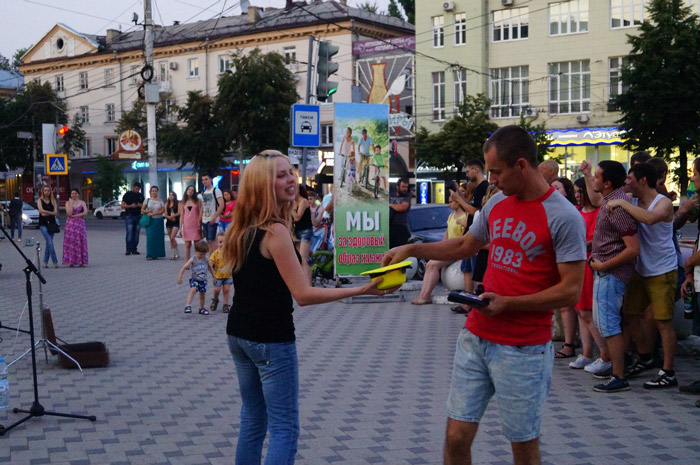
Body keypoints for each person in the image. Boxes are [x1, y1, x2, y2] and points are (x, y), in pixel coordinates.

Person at [383, 125, 586, 465]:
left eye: (496, 171)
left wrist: (509, 304)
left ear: (522, 165)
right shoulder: (497, 206)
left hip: (524, 350)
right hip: (476, 338)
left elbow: (570, 290)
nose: (491, 179)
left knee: (523, 448)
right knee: (455, 438)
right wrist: (412, 249)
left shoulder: (564, 217)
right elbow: (465, 244)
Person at [221, 150, 395, 465]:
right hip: (270, 340)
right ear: (263, 184)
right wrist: (365, 289)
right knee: (284, 426)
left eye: (291, 172)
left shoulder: (239, 228)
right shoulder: (274, 233)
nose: (291, 180)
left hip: (239, 334)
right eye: (281, 175)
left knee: (253, 417)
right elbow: (302, 294)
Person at [607, 163, 679, 389]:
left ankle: (668, 371)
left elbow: (649, 219)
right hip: (641, 269)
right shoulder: (633, 200)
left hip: (663, 270)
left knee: (662, 322)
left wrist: (621, 202)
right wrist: (590, 176)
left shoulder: (664, 203)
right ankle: (646, 357)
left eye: (630, 179)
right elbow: (604, 196)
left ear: (643, 181)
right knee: (630, 315)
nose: (627, 183)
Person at [581, 159, 640, 393]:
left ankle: (618, 375)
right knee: (605, 323)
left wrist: (604, 265)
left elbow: (633, 248)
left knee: (610, 325)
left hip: (611, 274)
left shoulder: (617, 206)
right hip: (605, 271)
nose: (593, 179)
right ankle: (615, 368)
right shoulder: (609, 200)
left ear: (607, 182)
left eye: (596, 176)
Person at [569, 177, 608, 370]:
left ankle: (605, 354)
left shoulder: (600, 212)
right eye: (575, 191)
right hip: (578, 262)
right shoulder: (576, 212)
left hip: (591, 263)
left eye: (579, 191)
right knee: (580, 310)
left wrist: (583, 244)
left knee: (588, 311)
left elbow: (599, 238)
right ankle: (586, 353)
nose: (577, 195)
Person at [411, 196, 466, 305]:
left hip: (457, 250)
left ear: (458, 202)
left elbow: (463, 237)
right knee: (429, 264)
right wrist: (440, 249)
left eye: (451, 202)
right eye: (449, 202)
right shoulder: (451, 216)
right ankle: (423, 294)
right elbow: (446, 235)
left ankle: (426, 295)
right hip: (448, 249)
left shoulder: (464, 217)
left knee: (434, 265)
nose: (449, 204)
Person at [552, 176, 580, 359]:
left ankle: (575, 342)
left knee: (580, 309)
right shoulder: (550, 210)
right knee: (564, 307)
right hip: (555, 261)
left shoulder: (573, 212)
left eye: (557, 187)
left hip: (571, 262)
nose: (553, 191)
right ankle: (568, 342)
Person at [177, 240, 215, 315]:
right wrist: (180, 277)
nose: (202, 256)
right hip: (194, 279)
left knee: (202, 294)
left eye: (204, 254)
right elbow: (184, 267)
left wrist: (214, 277)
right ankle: (188, 305)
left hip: (203, 280)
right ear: (195, 251)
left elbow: (210, 268)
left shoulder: (206, 259)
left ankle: (201, 308)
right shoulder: (193, 259)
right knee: (193, 289)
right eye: (200, 254)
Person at [62, 188, 88, 267]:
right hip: (71, 224)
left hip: (80, 224)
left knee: (80, 241)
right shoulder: (68, 203)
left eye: (75, 193)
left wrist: (76, 216)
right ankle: (71, 261)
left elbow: (85, 212)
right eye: (72, 193)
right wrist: (70, 203)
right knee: (71, 241)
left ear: (78, 194)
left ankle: (81, 261)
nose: (74, 195)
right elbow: (69, 213)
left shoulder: (82, 202)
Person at [200, 173, 224, 253]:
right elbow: (202, 206)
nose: (204, 181)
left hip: (212, 219)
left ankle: (217, 258)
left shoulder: (216, 190)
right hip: (204, 219)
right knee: (208, 241)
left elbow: (221, 205)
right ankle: (212, 259)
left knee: (212, 240)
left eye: (206, 179)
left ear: (210, 179)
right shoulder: (203, 192)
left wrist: (214, 217)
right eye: (203, 180)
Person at [209, 232, 233, 313]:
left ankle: (226, 305)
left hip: (228, 275)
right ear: (216, 243)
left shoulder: (230, 252)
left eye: (224, 242)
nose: (222, 244)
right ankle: (215, 299)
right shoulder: (215, 253)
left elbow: (234, 261)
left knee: (226, 290)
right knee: (217, 289)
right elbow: (210, 262)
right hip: (218, 276)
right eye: (220, 242)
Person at [37, 185, 60, 268]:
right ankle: (55, 261)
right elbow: (42, 213)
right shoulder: (40, 200)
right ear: (42, 191)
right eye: (45, 190)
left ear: (50, 192)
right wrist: (49, 212)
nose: (46, 192)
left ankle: (45, 262)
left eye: (48, 190)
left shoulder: (53, 200)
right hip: (43, 224)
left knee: (48, 244)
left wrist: (45, 211)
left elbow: (55, 213)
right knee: (49, 241)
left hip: (52, 224)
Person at [292, 185, 312, 279]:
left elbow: (297, 217)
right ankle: (302, 282)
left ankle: (308, 285)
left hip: (306, 231)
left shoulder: (303, 201)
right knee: (298, 260)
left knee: (303, 259)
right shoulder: (293, 202)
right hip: (297, 231)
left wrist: (290, 207)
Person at [179, 185, 203, 263]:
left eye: (192, 190)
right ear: (186, 190)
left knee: (197, 245)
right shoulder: (183, 202)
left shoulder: (198, 201)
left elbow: (200, 212)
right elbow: (181, 215)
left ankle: (198, 262)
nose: (190, 191)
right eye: (189, 189)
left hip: (195, 224)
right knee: (187, 245)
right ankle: (187, 263)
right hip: (186, 225)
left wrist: (199, 222)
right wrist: (180, 228)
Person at [142, 186, 166, 260]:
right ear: (150, 192)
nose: (154, 192)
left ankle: (157, 254)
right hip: (150, 221)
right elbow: (142, 210)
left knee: (158, 237)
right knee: (150, 237)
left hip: (159, 220)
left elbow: (162, 210)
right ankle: (150, 254)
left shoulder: (160, 200)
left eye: (156, 191)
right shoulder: (147, 200)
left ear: (158, 192)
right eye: (153, 191)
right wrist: (148, 211)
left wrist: (154, 213)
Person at [121, 182, 144, 255]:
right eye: (136, 188)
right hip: (129, 215)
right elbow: (122, 205)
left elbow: (144, 206)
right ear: (133, 187)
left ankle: (134, 249)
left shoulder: (141, 196)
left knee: (136, 233)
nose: (137, 190)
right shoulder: (127, 194)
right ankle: (128, 249)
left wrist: (140, 205)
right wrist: (131, 206)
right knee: (130, 233)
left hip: (138, 215)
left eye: (139, 189)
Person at [389, 178, 411, 248]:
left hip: (401, 227)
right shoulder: (391, 195)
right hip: (390, 226)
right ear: (397, 187)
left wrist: (390, 205)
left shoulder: (407, 196)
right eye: (403, 187)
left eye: (406, 187)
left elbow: (402, 208)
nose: (405, 189)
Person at [164, 191, 181, 260]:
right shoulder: (167, 204)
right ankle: (173, 254)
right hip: (169, 222)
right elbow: (165, 214)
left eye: (172, 195)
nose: (171, 196)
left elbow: (179, 212)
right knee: (171, 239)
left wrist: (173, 215)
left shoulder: (178, 203)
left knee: (172, 237)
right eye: (170, 195)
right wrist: (169, 217)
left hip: (176, 222)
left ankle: (177, 253)